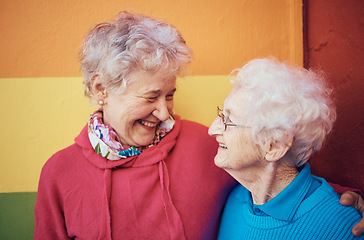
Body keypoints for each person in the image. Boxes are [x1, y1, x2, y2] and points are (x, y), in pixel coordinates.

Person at [34, 12, 364, 239]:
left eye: (170, 95)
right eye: (151, 97)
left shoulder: (206, 146)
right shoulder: (59, 173)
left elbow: (275, 173)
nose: (164, 113)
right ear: (101, 90)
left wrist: (346, 202)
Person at [209, 58, 364, 239]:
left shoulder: (343, 227)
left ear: (275, 145)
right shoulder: (235, 198)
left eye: (228, 120)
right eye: (221, 114)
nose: (212, 129)